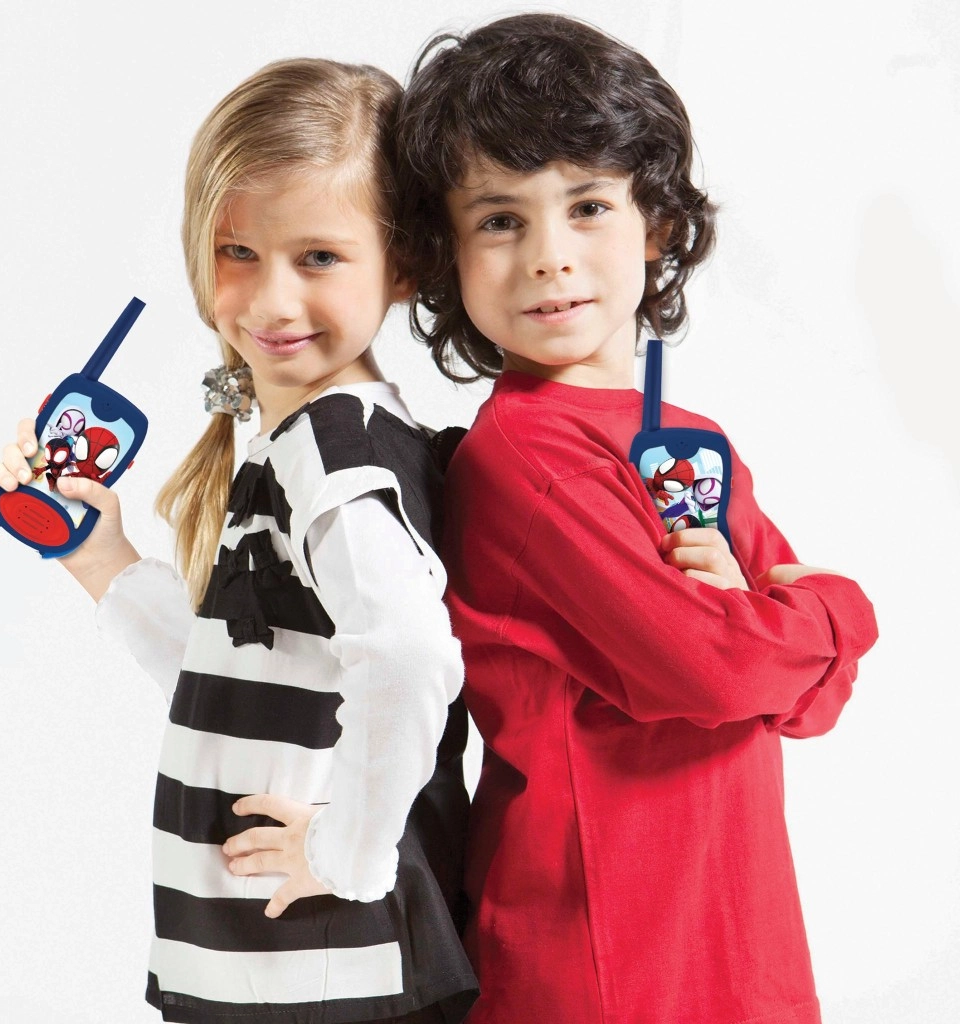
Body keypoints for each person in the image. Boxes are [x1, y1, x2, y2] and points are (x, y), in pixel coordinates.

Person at [395, 13, 878, 1024]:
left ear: (654, 223)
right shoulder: (525, 458)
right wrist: (835, 606)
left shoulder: (690, 441)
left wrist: (774, 632)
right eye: (500, 220)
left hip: (733, 937)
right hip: (602, 956)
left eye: (587, 206)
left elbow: (810, 702)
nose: (549, 257)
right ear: (447, 252)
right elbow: (721, 670)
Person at [0, 58, 477, 1024]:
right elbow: (252, 669)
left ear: (403, 262)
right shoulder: (310, 444)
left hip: (326, 966)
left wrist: (345, 854)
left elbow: (411, 657)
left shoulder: (334, 455)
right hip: (285, 962)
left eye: (319, 257)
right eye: (237, 251)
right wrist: (101, 557)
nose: (270, 300)